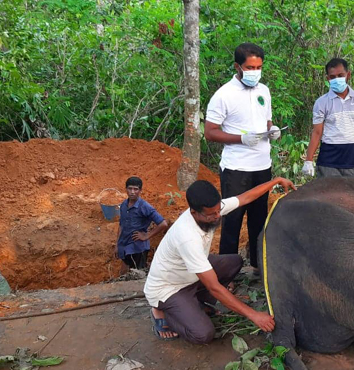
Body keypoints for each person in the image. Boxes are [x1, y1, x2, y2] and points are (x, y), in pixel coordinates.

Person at [143, 177, 296, 343]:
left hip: (189, 275)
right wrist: (254, 315)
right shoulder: (187, 237)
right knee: (203, 334)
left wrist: (275, 181)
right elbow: (214, 287)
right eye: (211, 215)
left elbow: (245, 197)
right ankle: (162, 313)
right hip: (168, 289)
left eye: (218, 211)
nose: (217, 217)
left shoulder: (211, 209)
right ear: (194, 212)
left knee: (234, 262)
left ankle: (195, 302)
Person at [204, 42, 282, 272]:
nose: (254, 72)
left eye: (258, 67)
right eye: (249, 68)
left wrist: (272, 128)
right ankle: (227, 271)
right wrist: (241, 139)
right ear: (237, 66)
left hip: (262, 165)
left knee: (260, 218)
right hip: (236, 168)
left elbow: (265, 120)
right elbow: (210, 132)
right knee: (232, 219)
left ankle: (260, 267)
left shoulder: (263, 91)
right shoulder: (223, 95)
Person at [302, 58, 354, 178]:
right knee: (327, 196)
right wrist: (309, 160)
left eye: (340, 75)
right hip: (328, 162)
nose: (337, 79)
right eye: (333, 77)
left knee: (351, 196)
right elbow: (317, 132)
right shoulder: (322, 102)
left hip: (352, 160)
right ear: (328, 79)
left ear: (348, 75)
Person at [115, 177, 169, 273]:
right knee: (123, 273)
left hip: (138, 248)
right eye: (130, 188)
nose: (132, 192)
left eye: (135, 189)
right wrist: (117, 245)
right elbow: (121, 225)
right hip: (125, 246)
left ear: (140, 190)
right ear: (126, 189)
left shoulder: (145, 206)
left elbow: (163, 224)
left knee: (137, 276)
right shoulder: (123, 205)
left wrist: (146, 235)